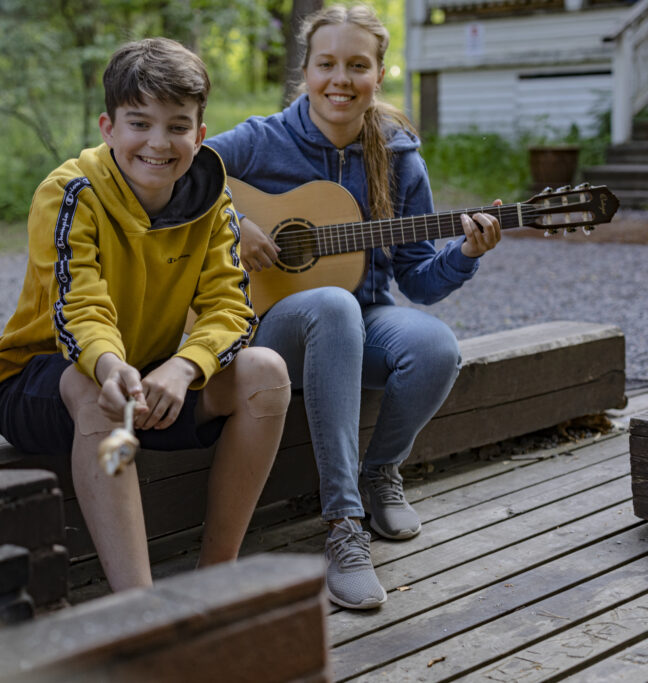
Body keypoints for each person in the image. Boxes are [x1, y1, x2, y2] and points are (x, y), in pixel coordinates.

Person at [205, 5, 502, 609]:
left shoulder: (398, 157)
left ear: (380, 73)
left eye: (357, 66)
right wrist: (233, 222)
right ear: (306, 71)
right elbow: (175, 171)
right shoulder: (261, 140)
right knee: (333, 306)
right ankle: (343, 526)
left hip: (357, 320)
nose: (341, 79)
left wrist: (465, 253)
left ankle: (379, 473)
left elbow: (418, 280)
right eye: (327, 64)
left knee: (434, 346)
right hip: (261, 325)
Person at [0, 38, 291, 592]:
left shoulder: (214, 201)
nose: (158, 142)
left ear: (200, 134)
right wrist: (108, 366)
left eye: (177, 126)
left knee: (266, 373)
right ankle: (140, 611)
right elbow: (80, 307)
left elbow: (230, 308)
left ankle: (214, 580)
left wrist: (186, 367)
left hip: (153, 380)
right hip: (42, 381)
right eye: (139, 123)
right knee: (95, 385)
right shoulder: (69, 193)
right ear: (108, 127)